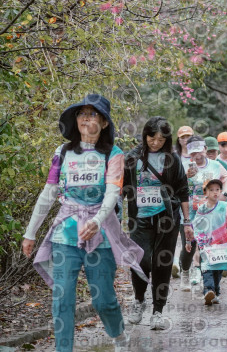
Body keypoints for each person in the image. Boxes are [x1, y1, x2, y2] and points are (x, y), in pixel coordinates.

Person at [22, 94, 145, 352]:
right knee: (62, 299)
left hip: (100, 236)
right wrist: (30, 232)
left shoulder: (114, 154)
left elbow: (112, 193)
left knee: (104, 301)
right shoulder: (63, 152)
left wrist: (98, 221)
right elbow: (49, 193)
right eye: (81, 113)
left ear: (104, 122)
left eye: (92, 114)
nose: (85, 118)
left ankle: (118, 336)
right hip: (65, 235)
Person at [123, 116, 193, 330]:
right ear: (145, 135)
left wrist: (187, 222)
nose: (155, 143)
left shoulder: (172, 158)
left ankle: (158, 311)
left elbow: (183, 190)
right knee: (140, 260)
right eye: (152, 138)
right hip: (140, 218)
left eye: (161, 140)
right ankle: (139, 300)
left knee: (162, 263)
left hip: (167, 218)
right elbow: (121, 187)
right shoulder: (133, 157)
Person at [179, 135, 227, 290]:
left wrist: (224, 194)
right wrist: (185, 177)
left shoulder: (215, 165)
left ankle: (207, 282)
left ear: (205, 149)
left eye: (199, 151)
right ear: (189, 152)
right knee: (189, 246)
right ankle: (185, 272)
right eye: (193, 152)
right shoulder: (183, 166)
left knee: (209, 245)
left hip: (210, 213)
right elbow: (176, 188)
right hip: (190, 213)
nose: (197, 155)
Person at [189, 179, 227, 305]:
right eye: (211, 190)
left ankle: (216, 291)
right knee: (207, 266)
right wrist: (197, 238)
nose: (215, 192)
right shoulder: (202, 208)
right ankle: (208, 290)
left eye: (217, 190)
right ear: (206, 192)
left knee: (218, 269)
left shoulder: (224, 206)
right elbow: (196, 224)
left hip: (221, 243)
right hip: (206, 243)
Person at [171, 125, 194, 278]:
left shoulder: (198, 155)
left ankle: (184, 263)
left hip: (195, 201)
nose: (186, 140)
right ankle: (173, 262)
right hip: (177, 200)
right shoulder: (174, 156)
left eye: (188, 137)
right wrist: (185, 176)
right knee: (175, 233)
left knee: (190, 237)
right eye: (183, 137)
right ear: (178, 139)